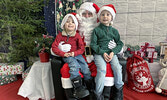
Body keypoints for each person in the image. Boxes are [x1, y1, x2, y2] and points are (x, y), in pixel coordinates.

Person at [52, 13, 92, 99]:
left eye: (73, 22)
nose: (70, 23)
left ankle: (89, 87)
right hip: (67, 56)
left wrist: (75, 53)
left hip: (77, 55)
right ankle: (78, 88)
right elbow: (54, 47)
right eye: (67, 22)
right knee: (74, 66)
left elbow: (82, 48)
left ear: (76, 25)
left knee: (85, 67)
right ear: (63, 24)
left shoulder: (77, 35)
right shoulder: (60, 36)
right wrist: (63, 53)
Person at [90, 4, 124, 100]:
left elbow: (120, 44)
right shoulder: (96, 30)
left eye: (107, 14)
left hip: (111, 53)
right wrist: (102, 53)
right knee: (102, 70)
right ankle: (98, 94)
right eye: (103, 14)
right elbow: (93, 44)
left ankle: (118, 91)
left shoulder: (114, 31)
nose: (105, 17)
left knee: (117, 68)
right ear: (99, 17)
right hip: (100, 53)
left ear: (111, 17)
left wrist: (113, 52)